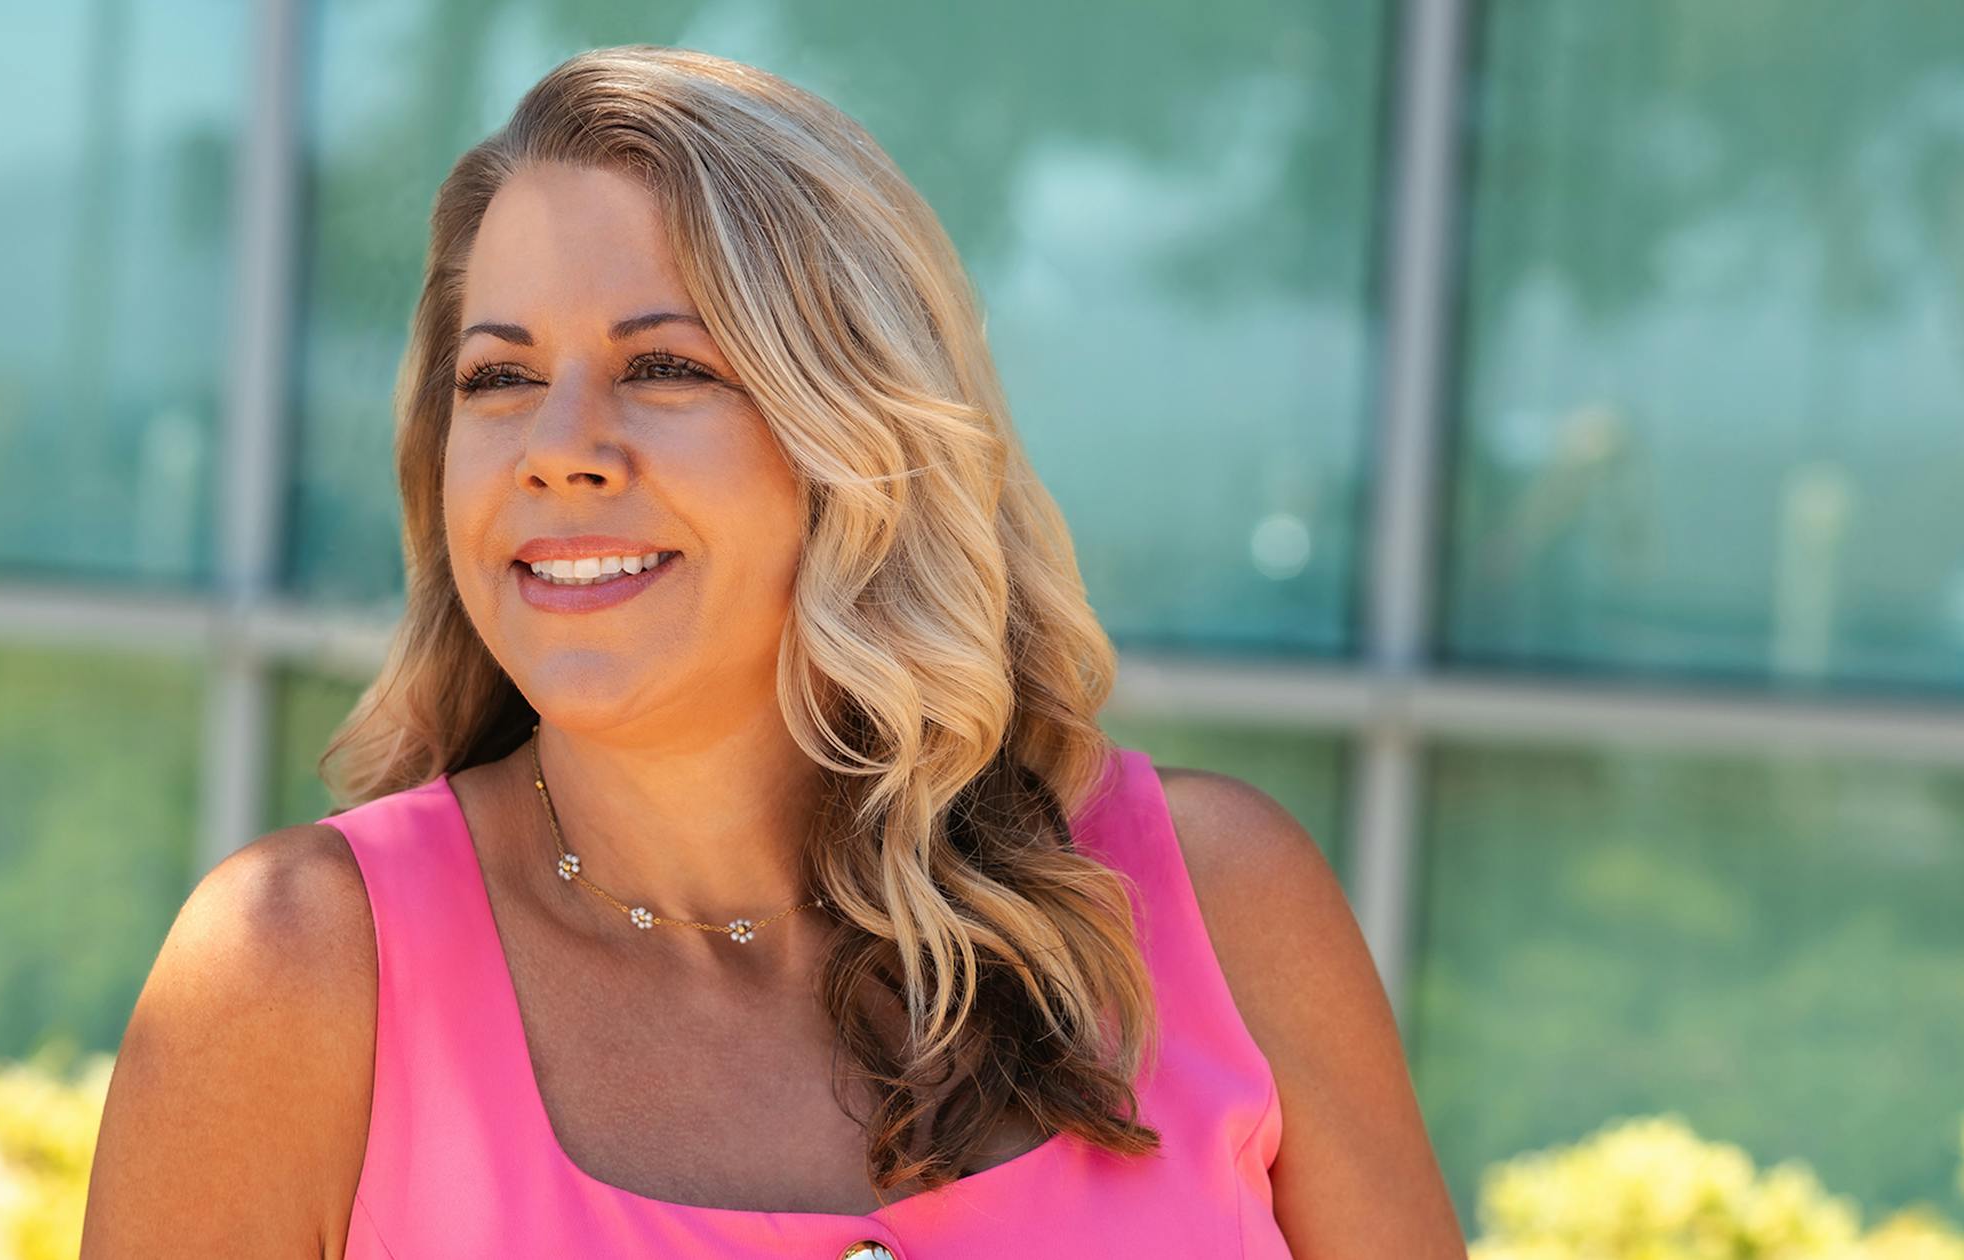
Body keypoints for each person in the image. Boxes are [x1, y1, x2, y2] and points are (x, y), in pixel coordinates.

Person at [81, 43, 1463, 1258]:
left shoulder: (1218, 905)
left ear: (857, 438)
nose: (558, 450)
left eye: (665, 366)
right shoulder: (294, 975)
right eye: (498, 378)